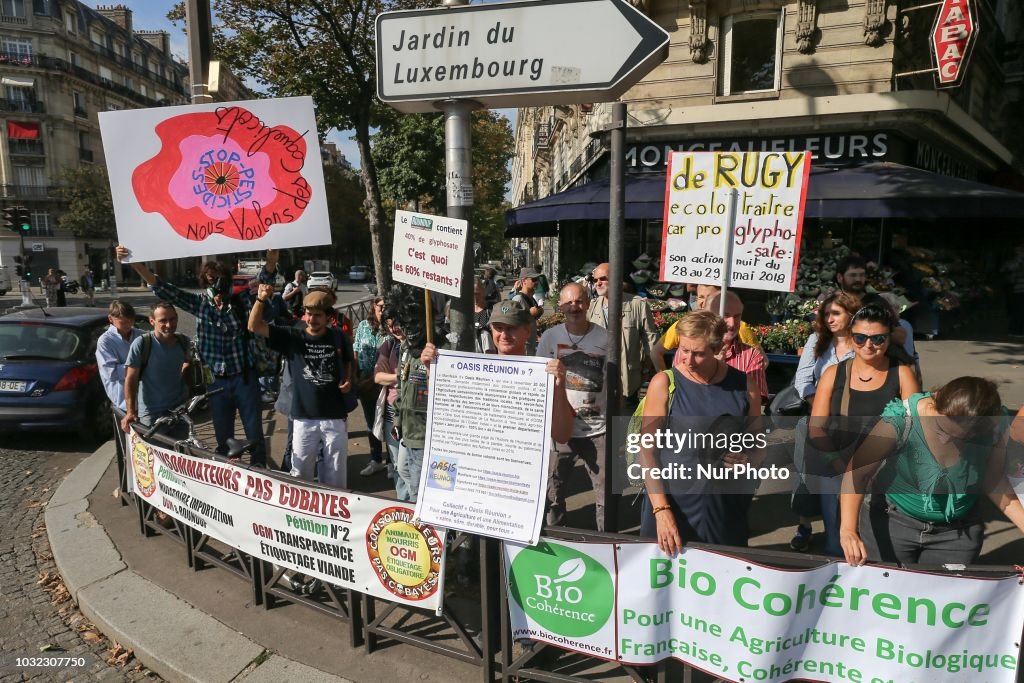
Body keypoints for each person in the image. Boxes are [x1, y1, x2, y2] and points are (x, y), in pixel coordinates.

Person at [841, 377, 1024, 566]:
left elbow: (993, 483)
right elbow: (857, 473)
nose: (945, 441)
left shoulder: (995, 427)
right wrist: (848, 530)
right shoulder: (903, 419)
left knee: (944, 593)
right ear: (936, 400)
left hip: (957, 533)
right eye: (940, 429)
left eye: (958, 438)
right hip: (892, 520)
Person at [117, 245, 268, 467]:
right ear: (203, 282)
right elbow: (163, 288)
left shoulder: (241, 301)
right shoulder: (200, 305)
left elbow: (264, 286)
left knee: (254, 432)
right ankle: (229, 478)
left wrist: (271, 262)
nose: (214, 284)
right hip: (216, 382)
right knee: (223, 436)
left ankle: (261, 475)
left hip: (245, 378)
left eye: (218, 279)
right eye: (209, 280)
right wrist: (134, 261)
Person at [639, 310, 763, 554]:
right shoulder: (664, 383)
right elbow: (647, 452)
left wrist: (749, 460)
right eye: (683, 350)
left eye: (698, 353)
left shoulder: (745, 386)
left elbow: (758, 446)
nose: (688, 359)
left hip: (723, 508)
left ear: (718, 349)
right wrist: (662, 511)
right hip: (671, 503)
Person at [806, 302, 920, 556]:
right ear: (850, 337)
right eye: (860, 338)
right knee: (839, 544)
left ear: (889, 339)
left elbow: (915, 429)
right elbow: (816, 428)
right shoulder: (834, 374)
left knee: (878, 543)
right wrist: (836, 463)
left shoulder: (902, 374)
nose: (869, 345)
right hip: (836, 469)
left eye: (878, 339)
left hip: (886, 475)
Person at [248, 285, 353, 487]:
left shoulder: (338, 336)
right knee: (300, 477)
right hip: (303, 419)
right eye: (309, 314)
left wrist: (348, 379)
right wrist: (261, 299)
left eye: (317, 315)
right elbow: (254, 326)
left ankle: (331, 517)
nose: (312, 319)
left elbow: (348, 360)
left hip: (335, 418)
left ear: (328, 317)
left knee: (336, 477)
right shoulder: (292, 336)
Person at [789, 291, 861, 550]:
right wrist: (819, 406)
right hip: (818, 421)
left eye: (836, 313)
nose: (829, 319)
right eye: (826, 314)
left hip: (851, 424)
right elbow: (803, 380)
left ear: (851, 315)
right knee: (807, 479)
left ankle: (842, 536)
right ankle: (804, 526)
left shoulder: (863, 343)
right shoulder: (817, 340)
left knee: (842, 481)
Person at [537, 283, 610, 531]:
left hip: (597, 430)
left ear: (588, 303)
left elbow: (614, 382)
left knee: (605, 496)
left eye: (579, 301)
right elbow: (538, 379)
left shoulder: (604, 337)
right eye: (568, 303)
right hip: (560, 432)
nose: (574, 307)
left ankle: (607, 543)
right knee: (552, 494)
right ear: (560, 307)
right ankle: (557, 540)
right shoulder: (550, 337)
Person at [586, 262, 661, 408]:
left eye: (603, 278)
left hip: (628, 381)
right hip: (599, 381)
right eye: (595, 280)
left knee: (624, 425)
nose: (598, 283)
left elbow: (651, 341)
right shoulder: (592, 306)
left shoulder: (637, 304)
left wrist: (645, 370)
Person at [120, 302, 192, 436]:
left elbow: (189, 363)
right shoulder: (142, 343)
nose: (169, 325)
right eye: (163, 321)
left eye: (172, 319)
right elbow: (130, 378)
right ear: (152, 321)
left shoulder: (184, 342)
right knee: (155, 455)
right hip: (151, 414)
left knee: (180, 454)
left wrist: (185, 389)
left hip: (179, 411)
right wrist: (130, 412)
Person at [354, 297, 389, 476]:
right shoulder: (362, 326)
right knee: (370, 423)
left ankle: (391, 461)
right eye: (380, 306)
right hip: (365, 381)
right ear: (373, 306)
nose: (383, 309)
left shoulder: (391, 327)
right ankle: (376, 459)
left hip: (384, 382)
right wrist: (355, 375)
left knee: (388, 422)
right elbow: (357, 349)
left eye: (386, 306)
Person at [96, 300, 143, 413]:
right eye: (123, 322)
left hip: (144, 399)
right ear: (111, 319)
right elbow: (111, 373)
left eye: (130, 321)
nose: (128, 325)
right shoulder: (106, 341)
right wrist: (137, 368)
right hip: (123, 402)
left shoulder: (140, 335)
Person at [374, 314, 404, 481]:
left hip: (412, 412)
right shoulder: (389, 345)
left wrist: (392, 376)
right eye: (391, 325)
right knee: (397, 465)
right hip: (391, 411)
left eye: (398, 323)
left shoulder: (418, 345)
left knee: (409, 466)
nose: (395, 328)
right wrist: (402, 376)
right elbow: (378, 377)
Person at [511, 267, 543, 355]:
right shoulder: (518, 299)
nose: (537, 282)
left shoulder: (531, 299)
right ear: (524, 281)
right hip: (523, 347)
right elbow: (512, 322)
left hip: (531, 344)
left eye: (537, 279)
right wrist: (529, 314)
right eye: (534, 279)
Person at [1002, 244, 1024, 337]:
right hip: (1018, 289)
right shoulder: (1014, 261)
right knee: (1018, 310)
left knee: (1019, 310)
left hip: (1018, 288)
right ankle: (1016, 331)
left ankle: (1017, 330)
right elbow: (1006, 269)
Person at [472, 277, 495, 353]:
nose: (475, 297)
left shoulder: (491, 310)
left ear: (484, 292)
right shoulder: (467, 313)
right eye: (472, 294)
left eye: (477, 293)